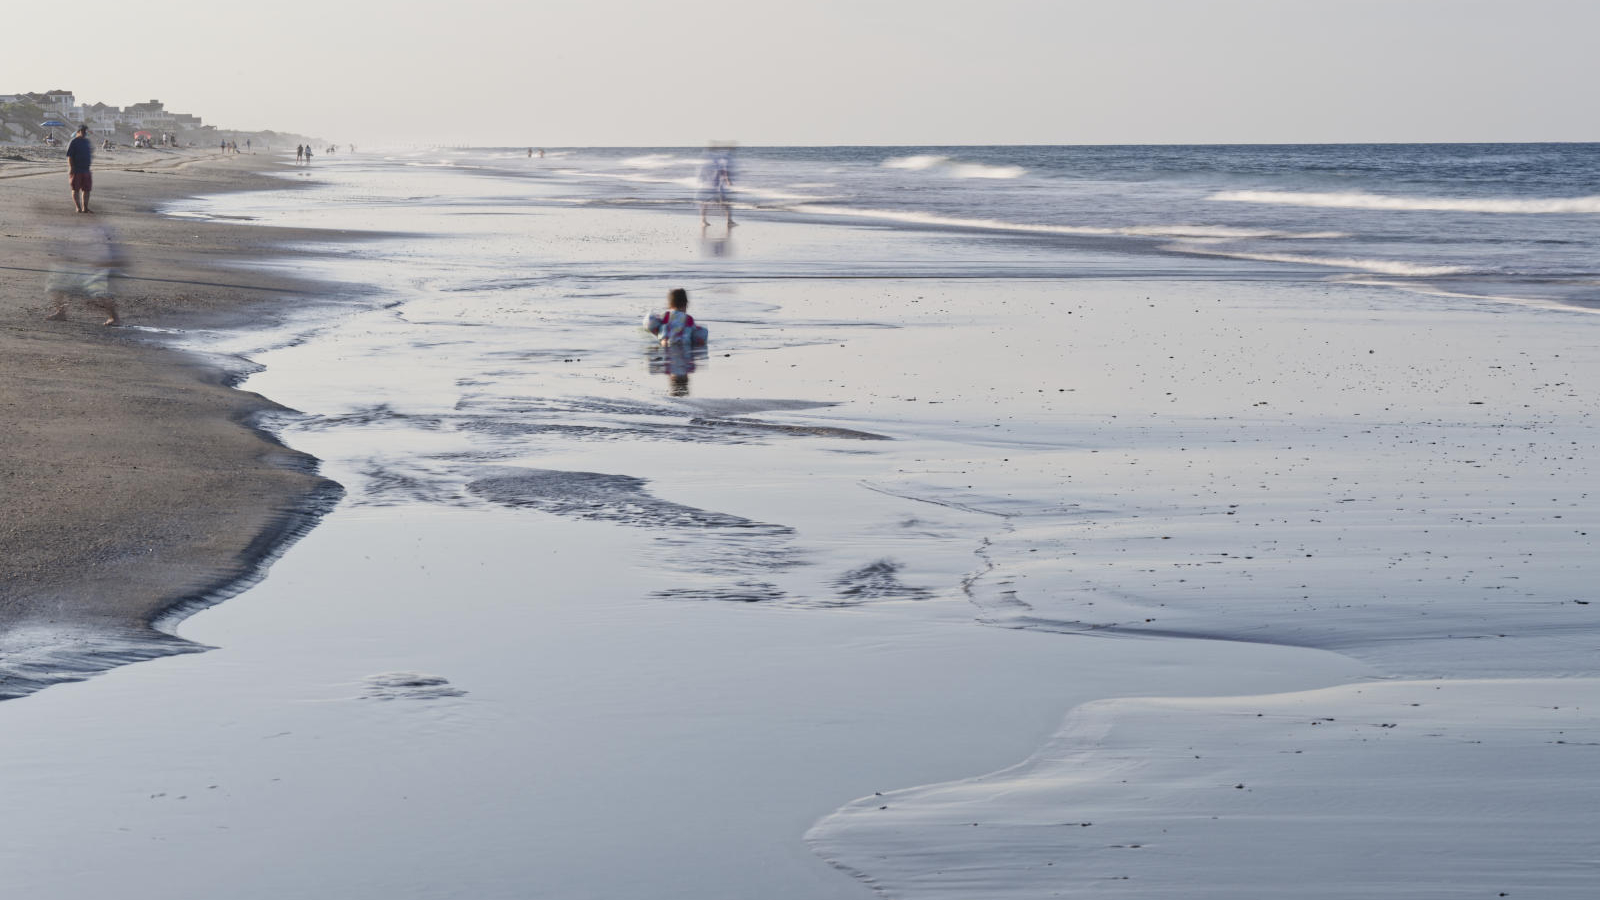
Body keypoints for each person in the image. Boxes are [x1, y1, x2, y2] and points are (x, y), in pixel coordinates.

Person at [45, 220, 123, 326]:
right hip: (82, 265)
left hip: (94, 267)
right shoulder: (87, 230)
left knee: (99, 293)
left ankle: (114, 318)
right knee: (57, 287)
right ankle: (60, 312)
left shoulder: (97, 232)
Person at [66, 125, 94, 214]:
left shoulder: (87, 142)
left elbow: (90, 152)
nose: (84, 133)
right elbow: (70, 156)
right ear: (78, 131)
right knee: (76, 189)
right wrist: (71, 167)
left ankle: (85, 208)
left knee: (87, 190)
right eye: (82, 131)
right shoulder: (74, 142)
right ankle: (78, 207)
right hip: (76, 169)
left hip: (86, 169)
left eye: (85, 131)